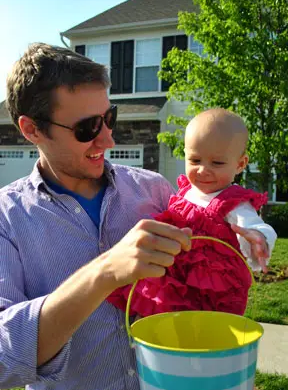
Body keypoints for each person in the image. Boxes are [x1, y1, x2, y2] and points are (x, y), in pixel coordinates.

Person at [0, 43, 192, 390]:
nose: (107, 138)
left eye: (110, 118)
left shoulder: (154, 191)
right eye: (88, 127)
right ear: (32, 129)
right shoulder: (6, 220)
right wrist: (105, 273)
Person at [107, 109, 277, 317]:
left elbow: (254, 225)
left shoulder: (233, 203)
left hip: (209, 288)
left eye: (217, 163)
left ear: (240, 164)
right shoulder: (185, 192)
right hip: (173, 275)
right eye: (195, 160)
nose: (203, 170)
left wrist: (259, 238)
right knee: (164, 314)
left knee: (203, 329)